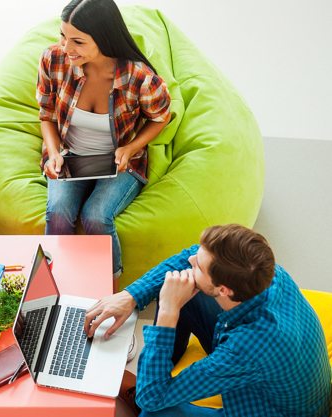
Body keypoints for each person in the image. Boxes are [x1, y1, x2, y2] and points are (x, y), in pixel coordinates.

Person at [84, 224, 331, 417]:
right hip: (276, 370)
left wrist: (168, 312)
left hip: (273, 410)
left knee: (152, 409)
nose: (192, 260)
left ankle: (151, 382)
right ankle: (162, 372)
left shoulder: (245, 350)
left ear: (224, 290)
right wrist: (130, 296)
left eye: (199, 266)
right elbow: (190, 255)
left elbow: (151, 400)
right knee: (176, 281)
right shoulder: (262, 269)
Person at [37, 0, 171, 292]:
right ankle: (53, 290)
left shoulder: (139, 79)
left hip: (119, 162)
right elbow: (46, 114)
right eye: (63, 36)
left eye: (78, 41)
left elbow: (161, 117)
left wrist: (131, 147)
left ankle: (111, 296)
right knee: (58, 212)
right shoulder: (54, 60)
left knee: (96, 216)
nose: (67, 47)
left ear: (104, 38)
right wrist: (55, 151)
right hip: (70, 156)